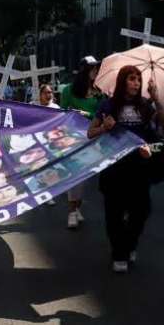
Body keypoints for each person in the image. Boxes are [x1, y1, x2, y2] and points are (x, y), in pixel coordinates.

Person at [88, 65, 164, 273]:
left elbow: (162, 125)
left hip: (139, 168)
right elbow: (90, 133)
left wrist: (156, 97)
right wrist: (104, 127)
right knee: (114, 213)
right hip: (114, 168)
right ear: (123, 81)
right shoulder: (108, 105)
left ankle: (129, 244)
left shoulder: (145, 106)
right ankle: (119, 253)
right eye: (131, 79)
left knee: (142, 211)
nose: (136, 83)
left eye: (138, 79)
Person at [61, 56, 103, 229]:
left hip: (92, 138)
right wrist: (74, 114)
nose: (96, 71)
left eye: (96, 68)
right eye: (92, 68)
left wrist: (88, 115)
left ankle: (77, 207)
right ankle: (71, 212)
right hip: (72, 138)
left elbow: (101, 115)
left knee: (83, 176)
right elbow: (63, 114)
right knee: (74, 176)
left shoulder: (99, 92)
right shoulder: (68, 90)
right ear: (84, 70)